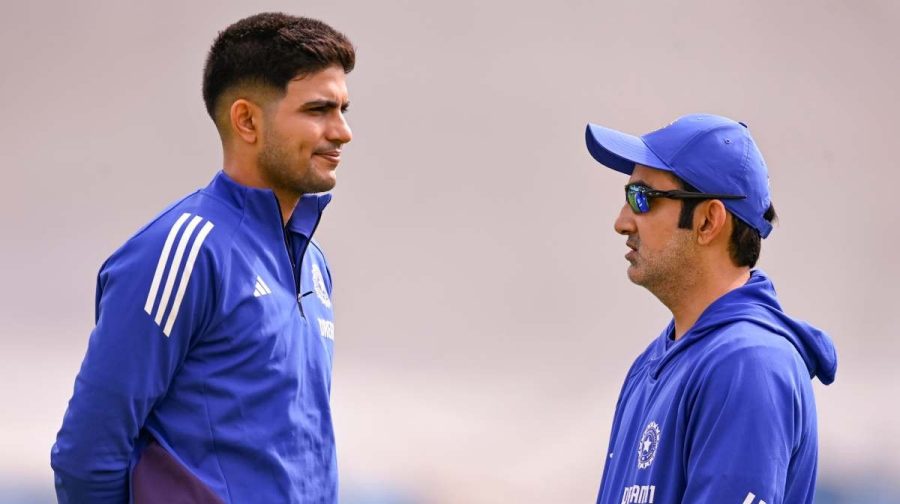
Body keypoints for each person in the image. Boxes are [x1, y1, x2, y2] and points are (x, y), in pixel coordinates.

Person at [51, 12, 354, 503]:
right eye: (319, 110)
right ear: (247, 120)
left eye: (343, 109)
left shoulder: (313, 265)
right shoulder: (184, 252)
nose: (342, 132)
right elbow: (86, 454)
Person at [584, 114, 837, 504]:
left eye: (642, 198)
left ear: (708, 221)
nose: (621, 222)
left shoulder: (748, 365)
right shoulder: (652, 365)